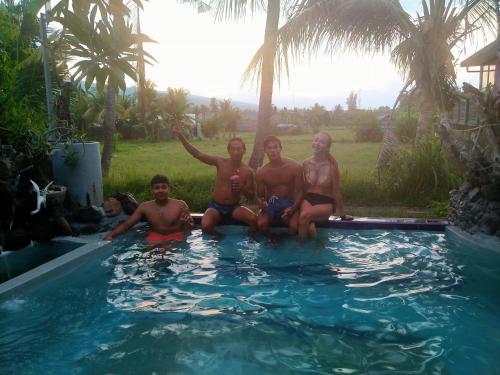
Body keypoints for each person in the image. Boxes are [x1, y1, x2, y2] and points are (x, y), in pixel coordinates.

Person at [173, 123, 257, 233]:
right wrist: (181, 137)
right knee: (206, 225)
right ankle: (218, 240)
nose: (236, 152)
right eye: (233, 149)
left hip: (234, 207)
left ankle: (250, 243)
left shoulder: (248, 171)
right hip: (216, 206)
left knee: (255, 220)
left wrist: (242, 188)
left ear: (244, 150)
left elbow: (251, 196)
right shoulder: (220, 162)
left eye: (239, 149)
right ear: (229, 150)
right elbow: (198, 154)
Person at [104, 175, 194, 244]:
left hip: (175, 237)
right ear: (151, 190)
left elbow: (189, 229)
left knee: (169, 254)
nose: (160, 190)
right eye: (157, 188)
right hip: (155, 236)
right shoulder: (145, 207)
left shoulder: (180, 205)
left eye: (164, 187)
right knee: (150, 261)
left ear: (169, 189)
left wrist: (186, 224)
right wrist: (111, 235)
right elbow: (128, 224)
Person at [299, 132, 353, 240]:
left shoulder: (332, 167)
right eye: (316, 140)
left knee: (304, 216)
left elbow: (336, 191)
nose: (317, 143)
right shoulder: (305, 163)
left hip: (326, 201)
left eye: (322, 142)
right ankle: (311, 246)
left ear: (328, 148)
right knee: (309, 227)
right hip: (308, 199)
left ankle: (301, 249)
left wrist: (342, 214)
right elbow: (303, 188)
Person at [256, 135, 303, 234]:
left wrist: (293, 208)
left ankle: (290, 248)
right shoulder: (262, 172)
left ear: (280, 148)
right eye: (269, 148)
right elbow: (260, 197)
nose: (273, 150)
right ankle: (269, 245)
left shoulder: (295, 167)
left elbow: (300, 192)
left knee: (294, 226)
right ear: (265, 150)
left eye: (275, 147)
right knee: (261, 224)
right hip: (272, 204)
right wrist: (262, 203)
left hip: (290, 203)